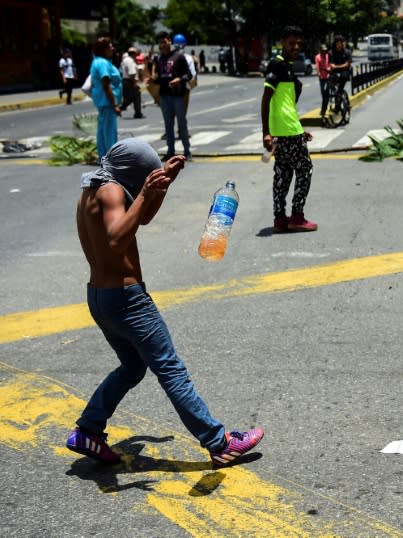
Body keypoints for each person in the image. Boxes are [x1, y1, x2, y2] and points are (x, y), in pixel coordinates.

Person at [65, 137, 264, 466]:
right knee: (171, 370)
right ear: (133, 174)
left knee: (132, 367)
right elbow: (117, 239)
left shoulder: (94, 188)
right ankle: (219, 443)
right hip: (128, 300)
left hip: (100, 297)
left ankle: (88, 429)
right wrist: (145, 191)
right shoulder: (111, 192)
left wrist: (162, 186)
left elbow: (139, 220)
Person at [261, 26, 317, 233]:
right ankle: (297, 215)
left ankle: (279, 219)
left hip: (285, 130)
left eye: (298, 44)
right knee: (304, 169)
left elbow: (285, 105)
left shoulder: (287, 66)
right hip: (284, 131)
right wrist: (265, 132)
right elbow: (266, 99)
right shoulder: (277, 64)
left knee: (283, 173)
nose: (295, 47)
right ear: (282, 42)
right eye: (291, 43)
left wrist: (300, 130)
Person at [152, 31, 193, 161]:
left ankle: (187, 150)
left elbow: (189, 75)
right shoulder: (159, 59)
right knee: (168, 125)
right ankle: (171, 151)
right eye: (160, 43)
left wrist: (179, 79)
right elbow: (159, 78)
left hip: (177, 96)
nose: (162, 45)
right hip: (164, 96)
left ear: (169, 42)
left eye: (164, 42)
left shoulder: (179, 57)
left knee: (182, 124)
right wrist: (152, 79)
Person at [89, 37, 122, 161]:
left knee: (103, 131)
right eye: (110, 46)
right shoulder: (102, 63)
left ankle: (103, 157)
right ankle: (110, 158)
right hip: (107, 102)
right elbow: (106, 84)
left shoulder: (97, 61)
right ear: (103, 49)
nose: (112, 48)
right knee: (109, 132)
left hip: (103, 102)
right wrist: (115, 105)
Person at [120, 47, 144, 119]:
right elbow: (132, 73)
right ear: (134, 53)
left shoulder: (125, 60)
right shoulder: (130, 61)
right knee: (135, 97)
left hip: (125, 80)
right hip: (130, 80)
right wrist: (134, 83)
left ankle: (136, 112)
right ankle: (137, 113)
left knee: (130, 97)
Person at [314, 44, 331, 118]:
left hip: (328, 76)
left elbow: (330, 64)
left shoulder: (328, 55)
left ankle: (324, 109)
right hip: (322, 78)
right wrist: (319, 74)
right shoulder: (317, 57)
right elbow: (317, 67)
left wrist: (329, 72)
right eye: (323, 50)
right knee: (324, 94)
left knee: (327, 93)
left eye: (325, 50)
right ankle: (323, 109)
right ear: (320, 50)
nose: (324, 52)